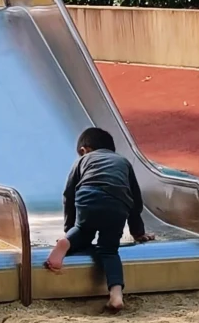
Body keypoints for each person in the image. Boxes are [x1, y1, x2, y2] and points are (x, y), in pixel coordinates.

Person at [44, 126, 151, 313]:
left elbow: (69, 195)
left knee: (83, 230)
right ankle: (116, 295)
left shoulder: (82, 161)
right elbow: (136, 199)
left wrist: (69, 228)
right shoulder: (123, 162)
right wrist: (138, 232)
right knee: (109, 250)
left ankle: (66, 242)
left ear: (83, 150)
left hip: (88, 197)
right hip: (118, 204)